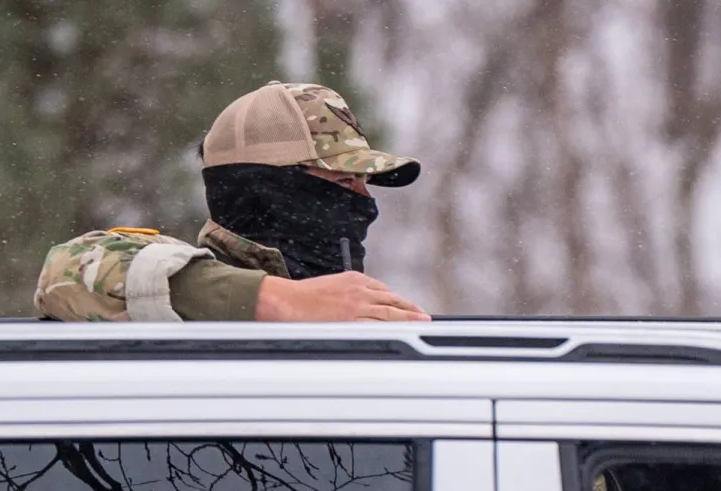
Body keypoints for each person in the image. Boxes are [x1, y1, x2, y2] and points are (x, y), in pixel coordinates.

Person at [34, 81, 430, 324]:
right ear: (267, 190)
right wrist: (278, 302)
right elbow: (64, 272)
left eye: (364, 183)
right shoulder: (175, 298)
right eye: (344, 181)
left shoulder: (357, 312)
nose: (365, 203)